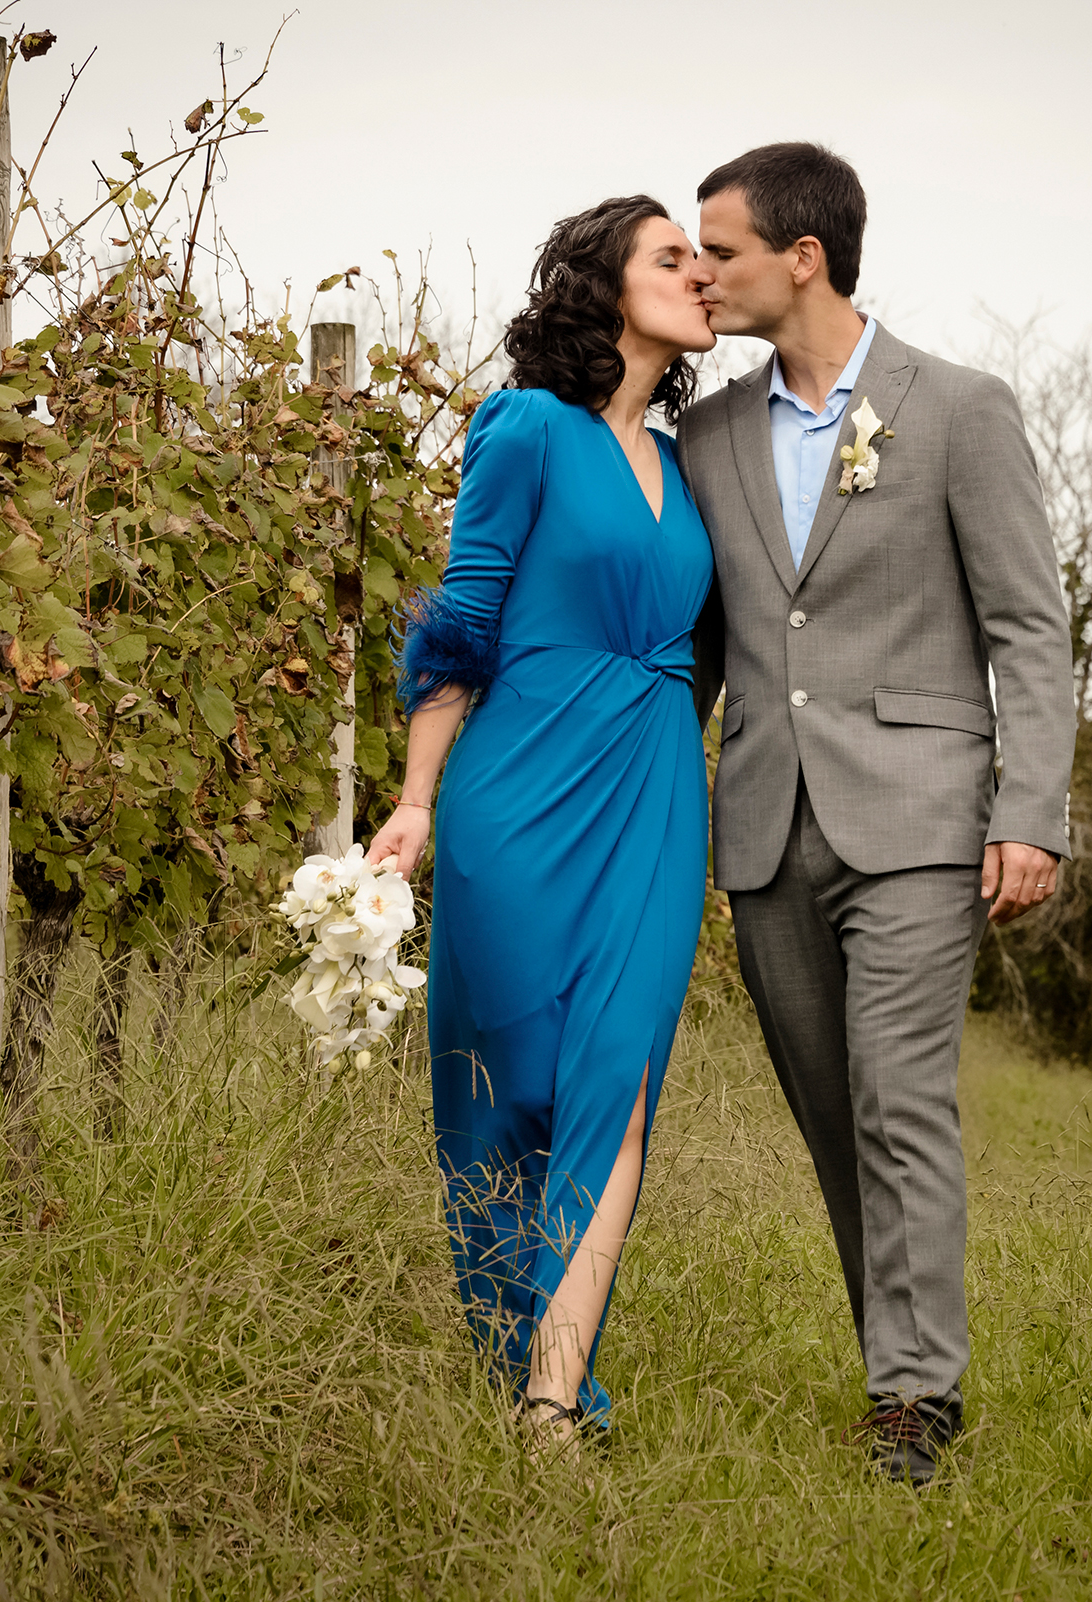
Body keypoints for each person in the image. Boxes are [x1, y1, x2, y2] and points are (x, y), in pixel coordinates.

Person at [680, 143, 1077, 1486]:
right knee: (830, 1110)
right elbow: (703, 647)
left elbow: (1029, 624)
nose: (702, 272)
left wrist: (1030, 810)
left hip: (920, 816)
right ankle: (894, 1355)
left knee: (900, 1094)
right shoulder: (710, 436)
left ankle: (915, 1398)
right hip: (763, 825)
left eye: (721, 249)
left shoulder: (959, 408)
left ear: (804, 256)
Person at [364, 195, 716, 1454]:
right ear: (604, 286)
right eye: (673, 258)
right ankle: (512, 1331)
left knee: (614, 1087)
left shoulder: (689, 466)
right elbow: (461, 618)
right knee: (508, 1087)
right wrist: (414, 798)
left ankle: (549, 1398)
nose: (702, 275)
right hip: (522, 786)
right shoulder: (523, 429)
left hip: (659, 796)